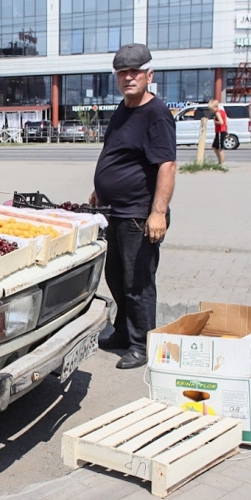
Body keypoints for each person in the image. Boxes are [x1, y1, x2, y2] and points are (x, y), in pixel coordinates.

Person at [89, 43, 176, 370]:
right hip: (114, 210)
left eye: (135, 72)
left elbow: (167, 165)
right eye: (122, 72)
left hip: (140, 214)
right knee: (115, 275)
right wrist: (98, 189)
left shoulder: (156, 114)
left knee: (137, 282)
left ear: (149, 75)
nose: (128, 78)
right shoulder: (124, 109)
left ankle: (142, 344)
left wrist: (158, 212)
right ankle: (124, 332)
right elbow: (118, 153)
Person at [208, 99, 227, 165]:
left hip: (220, 131)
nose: (211, 111)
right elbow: (226, 122)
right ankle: (219, 161)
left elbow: (221, 122)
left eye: (212, 109)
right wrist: (227, 131)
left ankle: (222, 163)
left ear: (216, 107)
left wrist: (215, 121)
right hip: (221, 131)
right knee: (214, 147)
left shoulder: (218, 113)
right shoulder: (222, 111)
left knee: (219, 149)